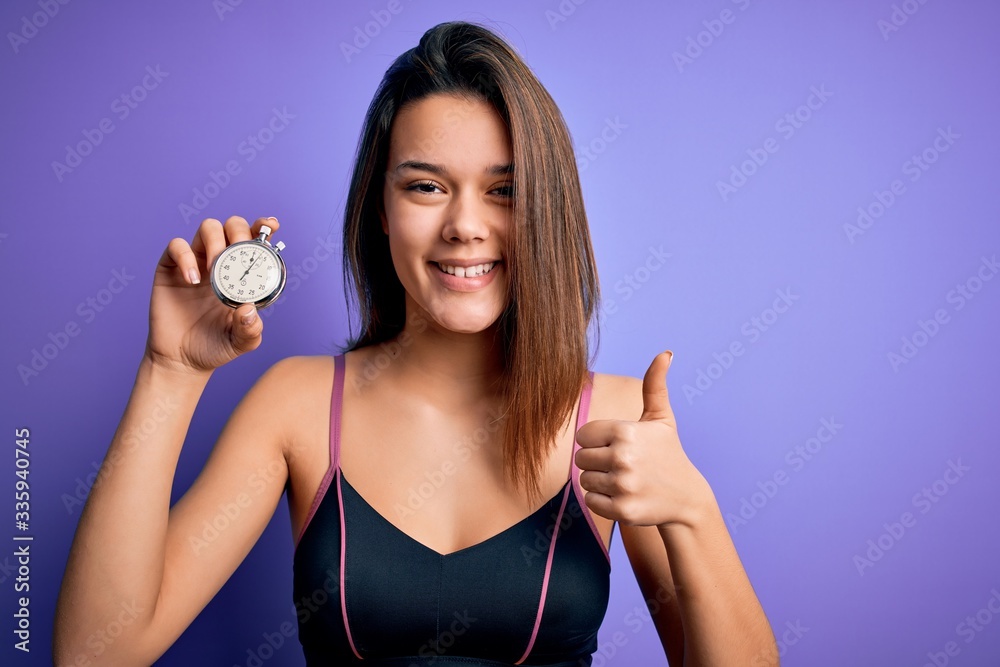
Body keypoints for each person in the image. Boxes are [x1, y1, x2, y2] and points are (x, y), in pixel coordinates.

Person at [54, 21, 778, 666]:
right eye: (427, 187)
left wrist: (694, 509)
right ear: (381, 208)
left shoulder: (616, 422)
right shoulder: (297, 406)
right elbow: (96, 651)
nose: (465, 225)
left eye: (505, 189)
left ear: (548, 212)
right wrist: (169, 370)